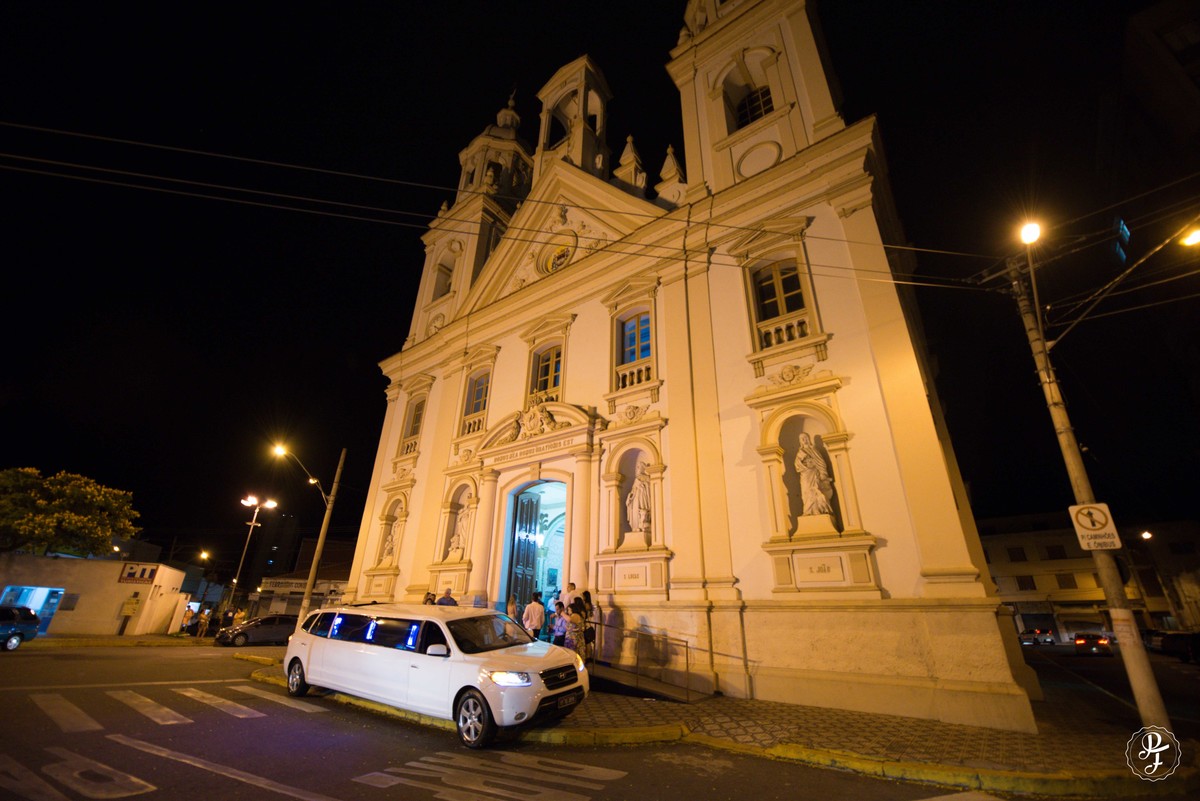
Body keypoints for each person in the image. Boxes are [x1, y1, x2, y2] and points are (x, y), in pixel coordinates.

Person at [795, 432, 833, 515]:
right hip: (806, 475)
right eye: (802, 439)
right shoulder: (800, 453)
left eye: (806, 438)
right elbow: (797, 466)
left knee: (816, 490)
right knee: (806, 491)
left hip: (815, 474)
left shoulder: (814, 450)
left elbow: (821, 462)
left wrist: (823, 473)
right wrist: (805, 465)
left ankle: (818, 509)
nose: (805, 440)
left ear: (809, 439)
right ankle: (808, 511)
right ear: (800, 441)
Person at [625, 459, 651, 532]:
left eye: (639, 467)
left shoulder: (647, 478)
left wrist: (643, 486)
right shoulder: (636, 479)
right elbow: (633, 490)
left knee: (643, 511)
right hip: (636, 499)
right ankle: (636, 526)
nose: (637, 468)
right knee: (636, 512)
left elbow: (649, 489)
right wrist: (630, 497)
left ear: (643, 468)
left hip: (643, 498)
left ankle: (644, 526)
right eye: (637, 467)